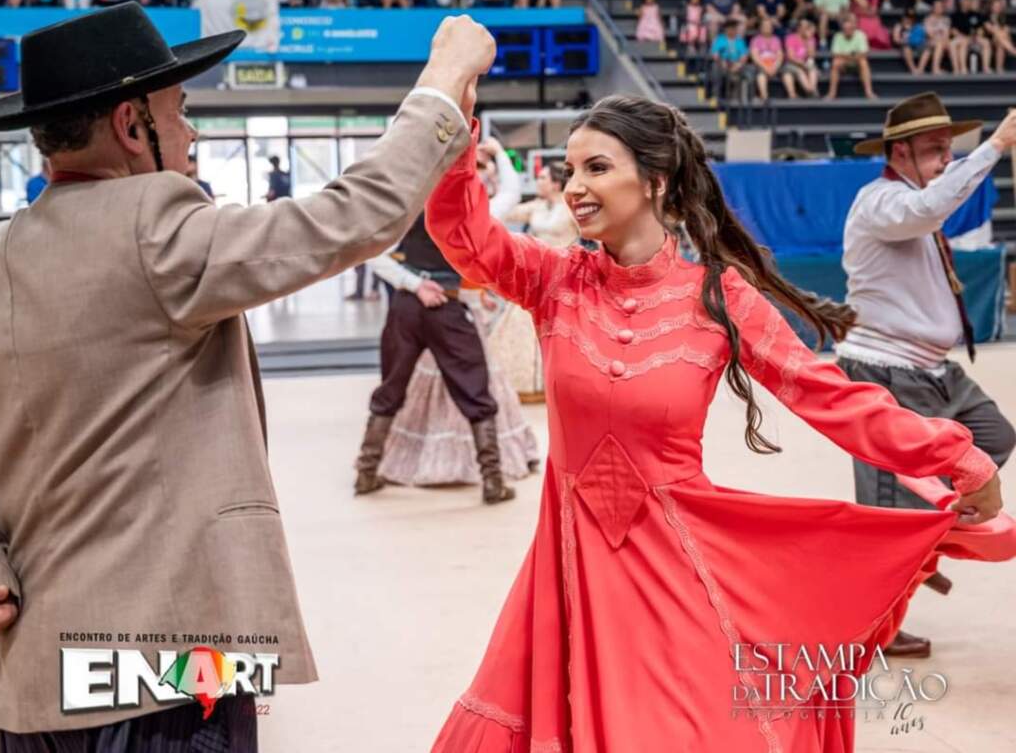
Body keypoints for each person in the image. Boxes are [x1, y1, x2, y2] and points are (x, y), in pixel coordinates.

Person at [424, 93, 1012, 752]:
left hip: (683, 572)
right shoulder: (552, 279)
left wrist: (956, 457)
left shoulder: (719, 296)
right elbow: (464, 236)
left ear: (656, 180)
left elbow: (829, 396)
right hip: (566, 582)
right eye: (571, 169)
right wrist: (452, 106)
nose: (576, 187)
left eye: (596, 168)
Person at [0, 2, 494, 747]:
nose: (192, 133)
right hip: (161, 661)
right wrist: (443, 81)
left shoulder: (4, 254)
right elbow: (354, 216)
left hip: (34, 682)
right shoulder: (154, 225)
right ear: (133, 126)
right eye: (181, 111)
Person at [840, 94, 1016, 658]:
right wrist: (996, 148)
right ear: (901, 153)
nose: (946, 159)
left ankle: (928, 546)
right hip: (886, 370)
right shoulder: (881, 201)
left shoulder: (909, 200)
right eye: (936, 150)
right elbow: (932, 208)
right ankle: (872, 621)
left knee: (992, 441)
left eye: (949, 149)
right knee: (893, 511)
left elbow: (935, 206)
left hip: (930, 369)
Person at [362, 138, 540, 488]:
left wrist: (413, 285)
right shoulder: (470, 213)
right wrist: (501, 153)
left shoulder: (411, 208)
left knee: (392, 386)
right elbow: (512, 193)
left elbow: (372, 255)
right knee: (475, 387)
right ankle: (493, 481)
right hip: (448, 305)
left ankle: (365, 473)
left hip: (406, 307)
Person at [490, 162, 579, 403]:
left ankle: (559, 385)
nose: (537, 182)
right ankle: (525, 386)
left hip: (563, 277)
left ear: (555, 183)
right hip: (534, 275)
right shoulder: (536, 207)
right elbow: (503, 211)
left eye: (542, 178)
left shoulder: (571, 208)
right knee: (519, 326)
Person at [825, 14, 876, 99]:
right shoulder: (838, 36)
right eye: (845, 29)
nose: (847, 31)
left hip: (856, 64)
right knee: (835, 62)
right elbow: (835, 54)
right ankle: (831, 93)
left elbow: (864, 53)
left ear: (853, 28)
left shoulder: (861, 35)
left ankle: (869, 92)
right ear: (843, 29)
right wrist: (853, 56)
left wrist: (846, 56)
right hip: (844, 64)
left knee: (863, 62)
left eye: (849, 29)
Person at [708, 19, 754, 101]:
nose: (732, 30)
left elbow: (744, 55)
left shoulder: (739, 40)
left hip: (737, 64)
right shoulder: (719, 39)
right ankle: (715, 96)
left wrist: (739, 64)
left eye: (734, 28)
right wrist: (722, 62)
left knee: (750, 71)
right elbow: (715, 54)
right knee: (715, 68)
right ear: (726, 29)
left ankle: (749, 98)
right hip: (723, 63)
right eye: (730, 28)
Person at [950, 0, 993, 73]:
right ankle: (960, 69)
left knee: (986, 42)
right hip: (961, 38)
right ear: (961, 1)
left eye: (970, 0)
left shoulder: (975, 14)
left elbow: (980, 29)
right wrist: (964, 37)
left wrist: (978, 34)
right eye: (966, 0)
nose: (968, 2)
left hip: (974, 38)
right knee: (960, 43)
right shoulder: (955, 15)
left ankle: (986, 68)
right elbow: (953, 31)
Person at [749, 17, 784, 100]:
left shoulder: (776, 39)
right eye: (765, 26)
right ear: (760, 28)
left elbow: (780, 55)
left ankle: (792, 96)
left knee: (787, 73)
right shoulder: (756, 40)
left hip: (775, 65)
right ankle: (764, 96)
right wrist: (766, 67)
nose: (767, 28)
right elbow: (755, 56)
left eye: (769, 26)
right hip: (762, 65)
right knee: (761, 74)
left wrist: (775, 67)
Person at [783, 17, 820, 95]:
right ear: (799, 28)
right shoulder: (790, 38)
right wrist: (803, 65)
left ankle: (812, 90)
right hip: (792, 64)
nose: (807, 29)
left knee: (813, 70)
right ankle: (811, 91)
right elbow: (790, 57)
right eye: (805, 27)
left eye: (808, 27)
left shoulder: (811, 39)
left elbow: (811, 55)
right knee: (800, 72)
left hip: (806, 64)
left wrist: (808, 40)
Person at [893, 7, 932, 74]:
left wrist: (926, 39)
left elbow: (927, 36)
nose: (908, 19)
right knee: (906, 49)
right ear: (903, 17)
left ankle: (920, 69)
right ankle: (913, 69)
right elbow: (896, 39)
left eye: (911, 17)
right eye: (907, 17)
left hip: (918, 44)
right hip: (906, 45)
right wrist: (903, 40)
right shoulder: (899, 26)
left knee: (927, 50)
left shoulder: (918, 26)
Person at [985, 0, 1016, 71]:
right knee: (999, 37)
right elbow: (991, 30)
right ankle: (1014, 51)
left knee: (1000, 44)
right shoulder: (986, 16)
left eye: (999, 6)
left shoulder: (1003, 17)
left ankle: (999, 68)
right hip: (989, 40)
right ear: (991, 6)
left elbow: (1006, 31)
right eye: (995, 5)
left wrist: (997, 26)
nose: (997, 7)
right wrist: (994, 20)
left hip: (1001, 40)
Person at [924, 0, 956, 73]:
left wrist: (944, 40)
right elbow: (929, 34)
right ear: (933, 8)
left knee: (952, 44)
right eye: (937, 7)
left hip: (944, 40)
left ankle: (956, 69)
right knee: (939, 44)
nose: (939, 8)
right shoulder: (928, 19)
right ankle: (935, 68)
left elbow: (947, 34)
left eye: (941, 7)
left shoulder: (946, 19)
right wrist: (939, 37)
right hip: (931, 41)